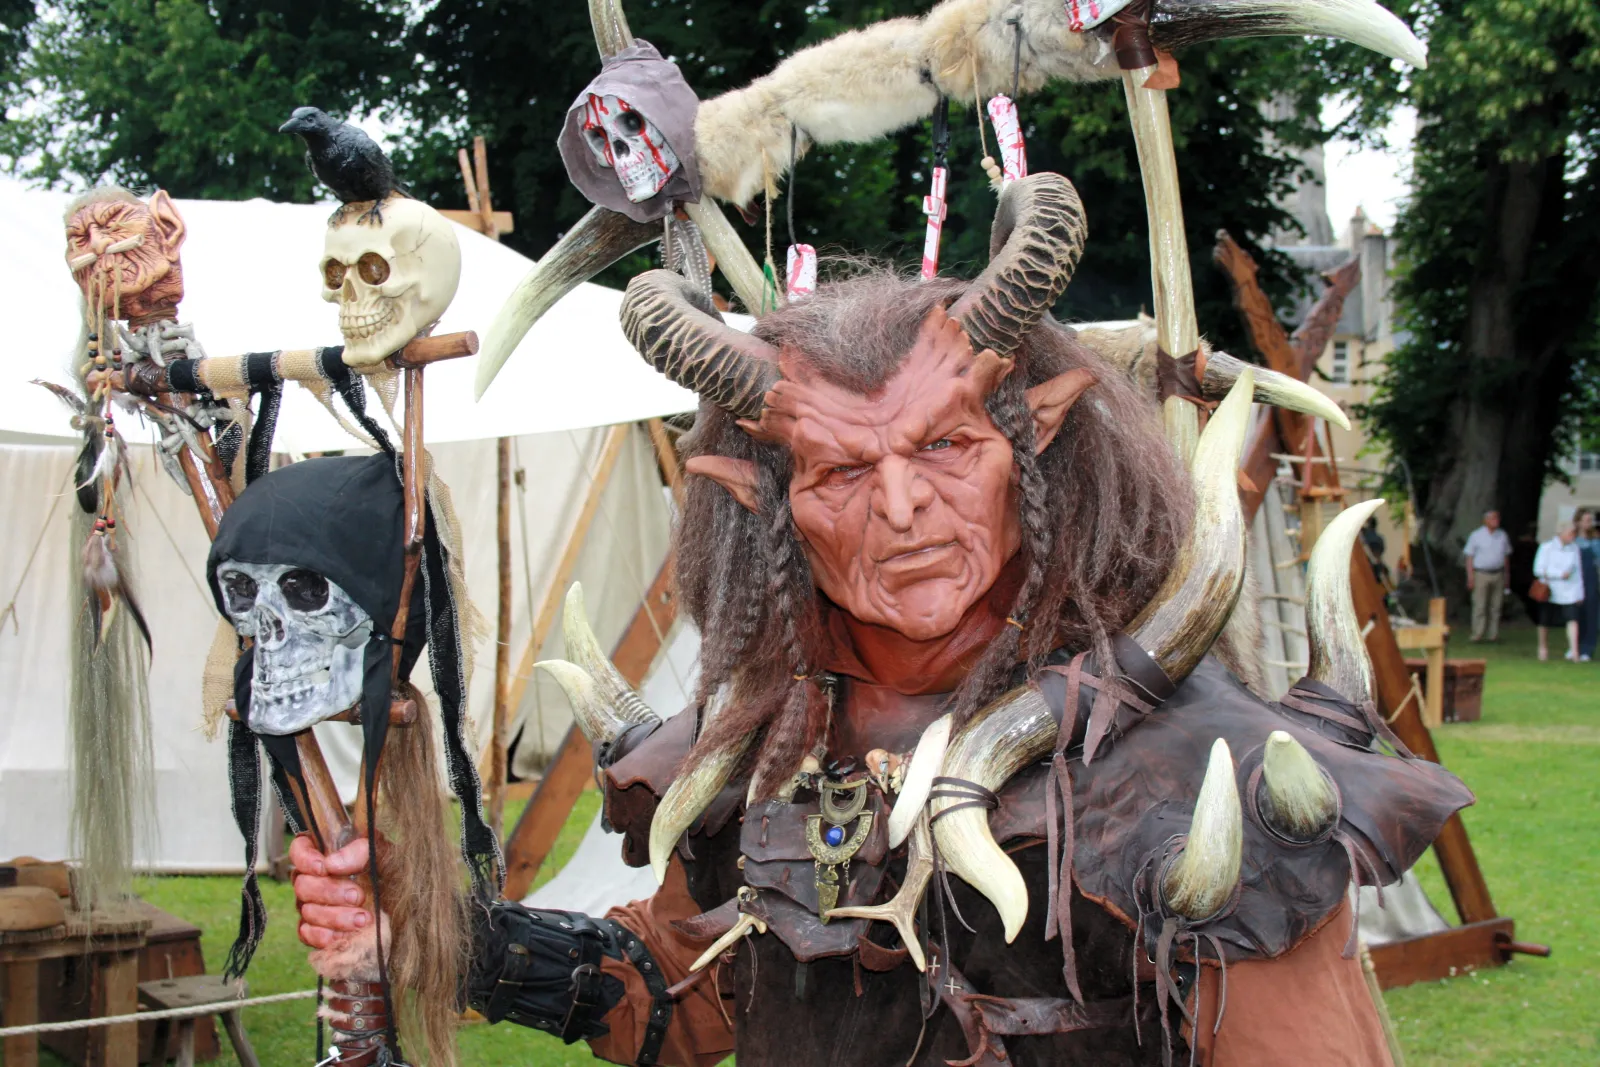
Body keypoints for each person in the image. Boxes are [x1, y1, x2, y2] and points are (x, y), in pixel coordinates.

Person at [290, 175, 1471, 1066]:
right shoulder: (767, 744)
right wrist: (435, 936)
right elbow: (674, 994)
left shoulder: (1197, 774)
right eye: (841, 470)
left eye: (947, 445)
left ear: (1038, 437)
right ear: (761, 500)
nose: (902, 507)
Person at [1533, 521, 1585, 662]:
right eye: (1570, 533)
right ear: (1561, 533)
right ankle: (1543, 648)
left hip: (1569, 591)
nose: (1572, 536)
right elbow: (1538, 569)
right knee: (1545, 621)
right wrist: (1559, 574)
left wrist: (1580, 593)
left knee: (1572, 619)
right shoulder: (1546, 547)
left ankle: (1574, 651)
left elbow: (1578, 572)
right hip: (1549, 589)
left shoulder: (1574, 548)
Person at [1463, 509, 1513, 641]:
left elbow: (1506, 557)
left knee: (1496, 606)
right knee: (1480, 605)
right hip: (1481, 573)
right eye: (1493, 518)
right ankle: (1477, 633)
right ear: (1486, 520)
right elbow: (1469, 557)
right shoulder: (1476, 535)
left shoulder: (1502, 535)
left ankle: (1493, 634)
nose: (1496, 521)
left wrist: (1507, 576)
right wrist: (1470, 576)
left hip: (1498, 573)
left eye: (1497, 518)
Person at [1575, 509, 1600, 661]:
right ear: (1578, 522)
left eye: (1591, 520)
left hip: (1591, 581)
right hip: (1575, 581)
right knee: (1576, 615)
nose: (1589, 523)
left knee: (1591, 614)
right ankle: (1575, 647)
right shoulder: (1573, 541)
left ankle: (1587, 649)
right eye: (1586, 520)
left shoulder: (1595, 542)